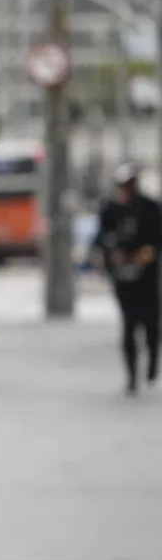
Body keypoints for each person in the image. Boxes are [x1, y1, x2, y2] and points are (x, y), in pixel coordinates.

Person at [94, 163, 162, 395]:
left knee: (151, 324)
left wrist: (148, 253)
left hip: (147, 275)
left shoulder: (150, 208)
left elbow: (157, 238)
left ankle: (153, 362)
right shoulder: (111, 210)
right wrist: (110, 257)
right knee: (129, 324)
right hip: (123, 275)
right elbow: (100, 239)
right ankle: (132, 376)